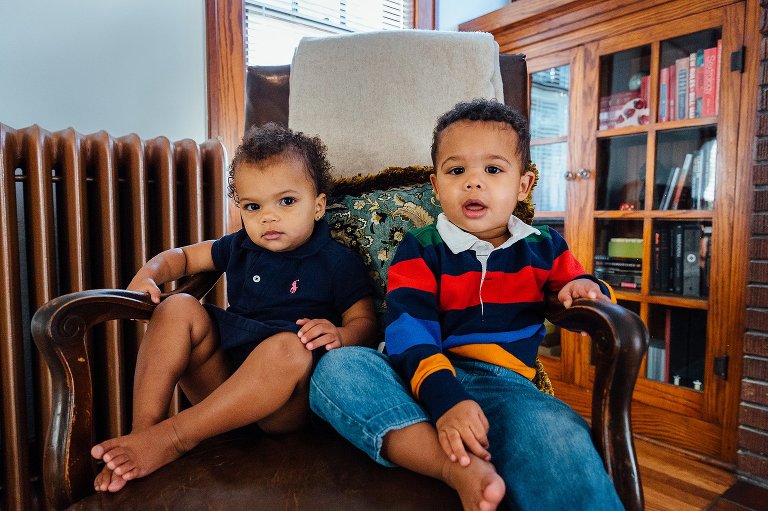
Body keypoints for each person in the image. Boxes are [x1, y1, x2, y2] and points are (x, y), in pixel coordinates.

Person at [309, 99, 624, 511]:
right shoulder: (421, 247)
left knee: (557, 432)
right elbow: (409, 328)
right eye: (457, 171)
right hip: (412, 372)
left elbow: (582, 287)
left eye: (493, 170)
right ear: (436, 186)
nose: (474, 183)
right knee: (338, 368)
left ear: (523, 185)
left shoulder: (543, 245)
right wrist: (447, 399)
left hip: (503, 384)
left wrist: (584, 287)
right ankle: (452, 466)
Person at [91, 123, 376, 492]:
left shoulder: (336, 261)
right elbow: (180, 257)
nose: (267, 217)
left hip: (284, 402)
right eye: (253, 206)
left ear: (318, 205)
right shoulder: (240, 246)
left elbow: (366, 320)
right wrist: (147, 275)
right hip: (224, 383)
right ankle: (144, 434)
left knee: (290, 347)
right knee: (178, 306)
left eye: (286, 201)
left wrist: (340, 333)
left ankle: (176, 436)